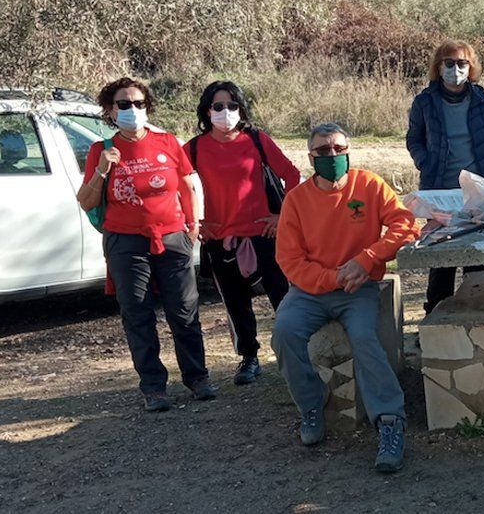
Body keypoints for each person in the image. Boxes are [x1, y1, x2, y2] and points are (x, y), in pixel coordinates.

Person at [273, 123, 419, 473]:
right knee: (284, 332)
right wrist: (332, 277)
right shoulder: (296, 199)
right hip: (310, 291)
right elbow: (289, 260)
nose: (332, 156)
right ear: (310, 157)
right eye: (323, 151)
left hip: (359, 289)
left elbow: (405, 223)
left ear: (349, 150)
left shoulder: (368, 184)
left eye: (339, 148)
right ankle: (311, 404)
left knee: (365, 338)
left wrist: (369, 258)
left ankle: (388, 421)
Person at [76, 77, 214, 412]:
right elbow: (85, 200)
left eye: (139, 104)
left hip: (172, 237)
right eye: (124, 104)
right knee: (137, 314)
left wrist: (192, 226)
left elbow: (185, 185)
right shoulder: (100, 150)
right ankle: (153, 386)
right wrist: (102, 171)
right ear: (110, 110)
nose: (133, 110)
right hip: (125, 242)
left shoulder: (167, 142)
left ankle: (197, 378)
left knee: (184, 311)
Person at [185, 81, 301, 385]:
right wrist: (193, 220)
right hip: (220, 240)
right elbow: (173, 182)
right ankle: (249, 358)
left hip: (264, 234)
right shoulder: (196, 147)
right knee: (236, 304)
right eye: (219, 106)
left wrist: (282, 216)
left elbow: (292, 175)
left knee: (284, 296)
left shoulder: (257, 140)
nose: (226, 112)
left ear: (241, 108)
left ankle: (299, 351)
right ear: (207, 110)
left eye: (232, 106)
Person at [406, 41, 484, 314]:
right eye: (449, 63)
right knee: (440, 258)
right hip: (440, 189)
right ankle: (435, 318)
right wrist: (425, 162)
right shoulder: (424, 102)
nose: (455, 69)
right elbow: (414, 139)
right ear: (438, 67)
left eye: (461, 63)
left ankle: (476, 318)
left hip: (478, 192)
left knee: (477, 256)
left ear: (471, 67)